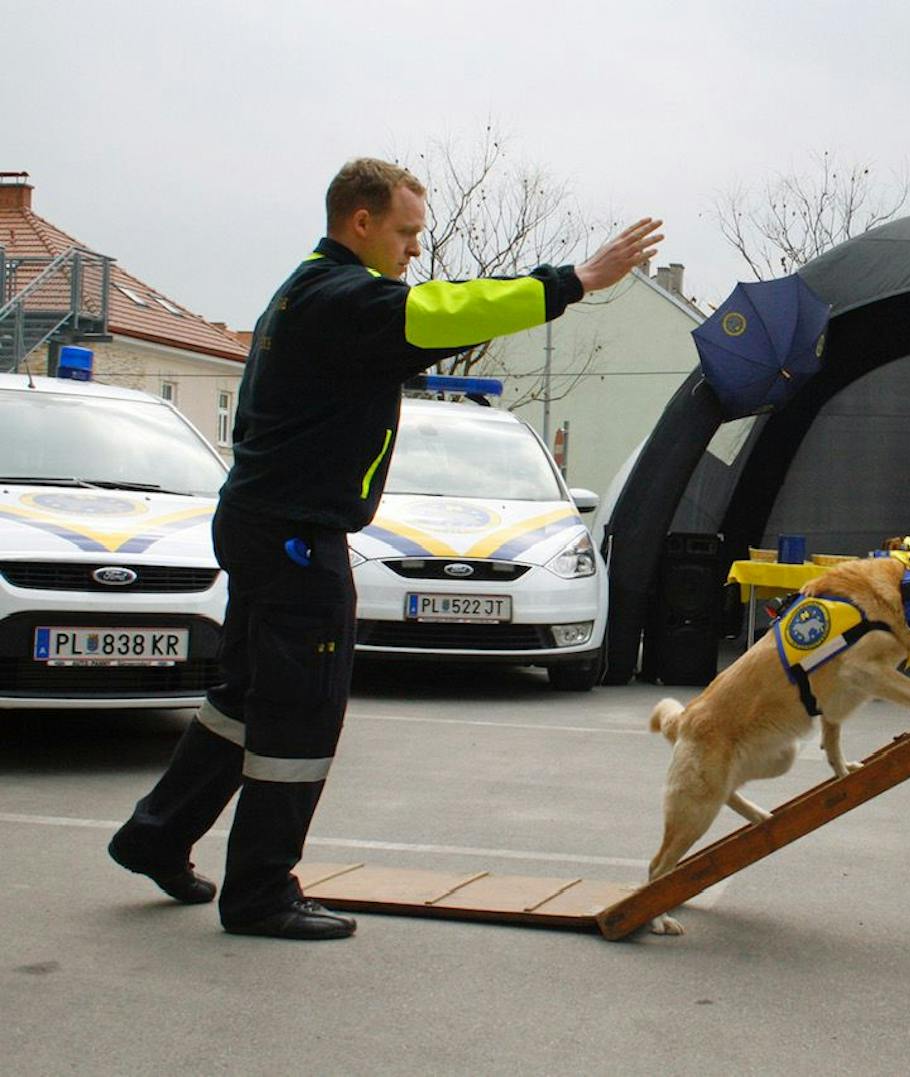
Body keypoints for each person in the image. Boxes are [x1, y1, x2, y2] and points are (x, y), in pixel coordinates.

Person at [107, 158, 663, 940]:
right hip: (297, 536)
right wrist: (572, 279)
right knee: (299, 714)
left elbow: (425, 322)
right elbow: (447, 309)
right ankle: (261, 891)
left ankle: (156, 834)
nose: (413, 251)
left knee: (244, 697)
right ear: (359, 222)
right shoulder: (344, 298)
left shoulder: (312, 291)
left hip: (266, 525)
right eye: (404, 233)